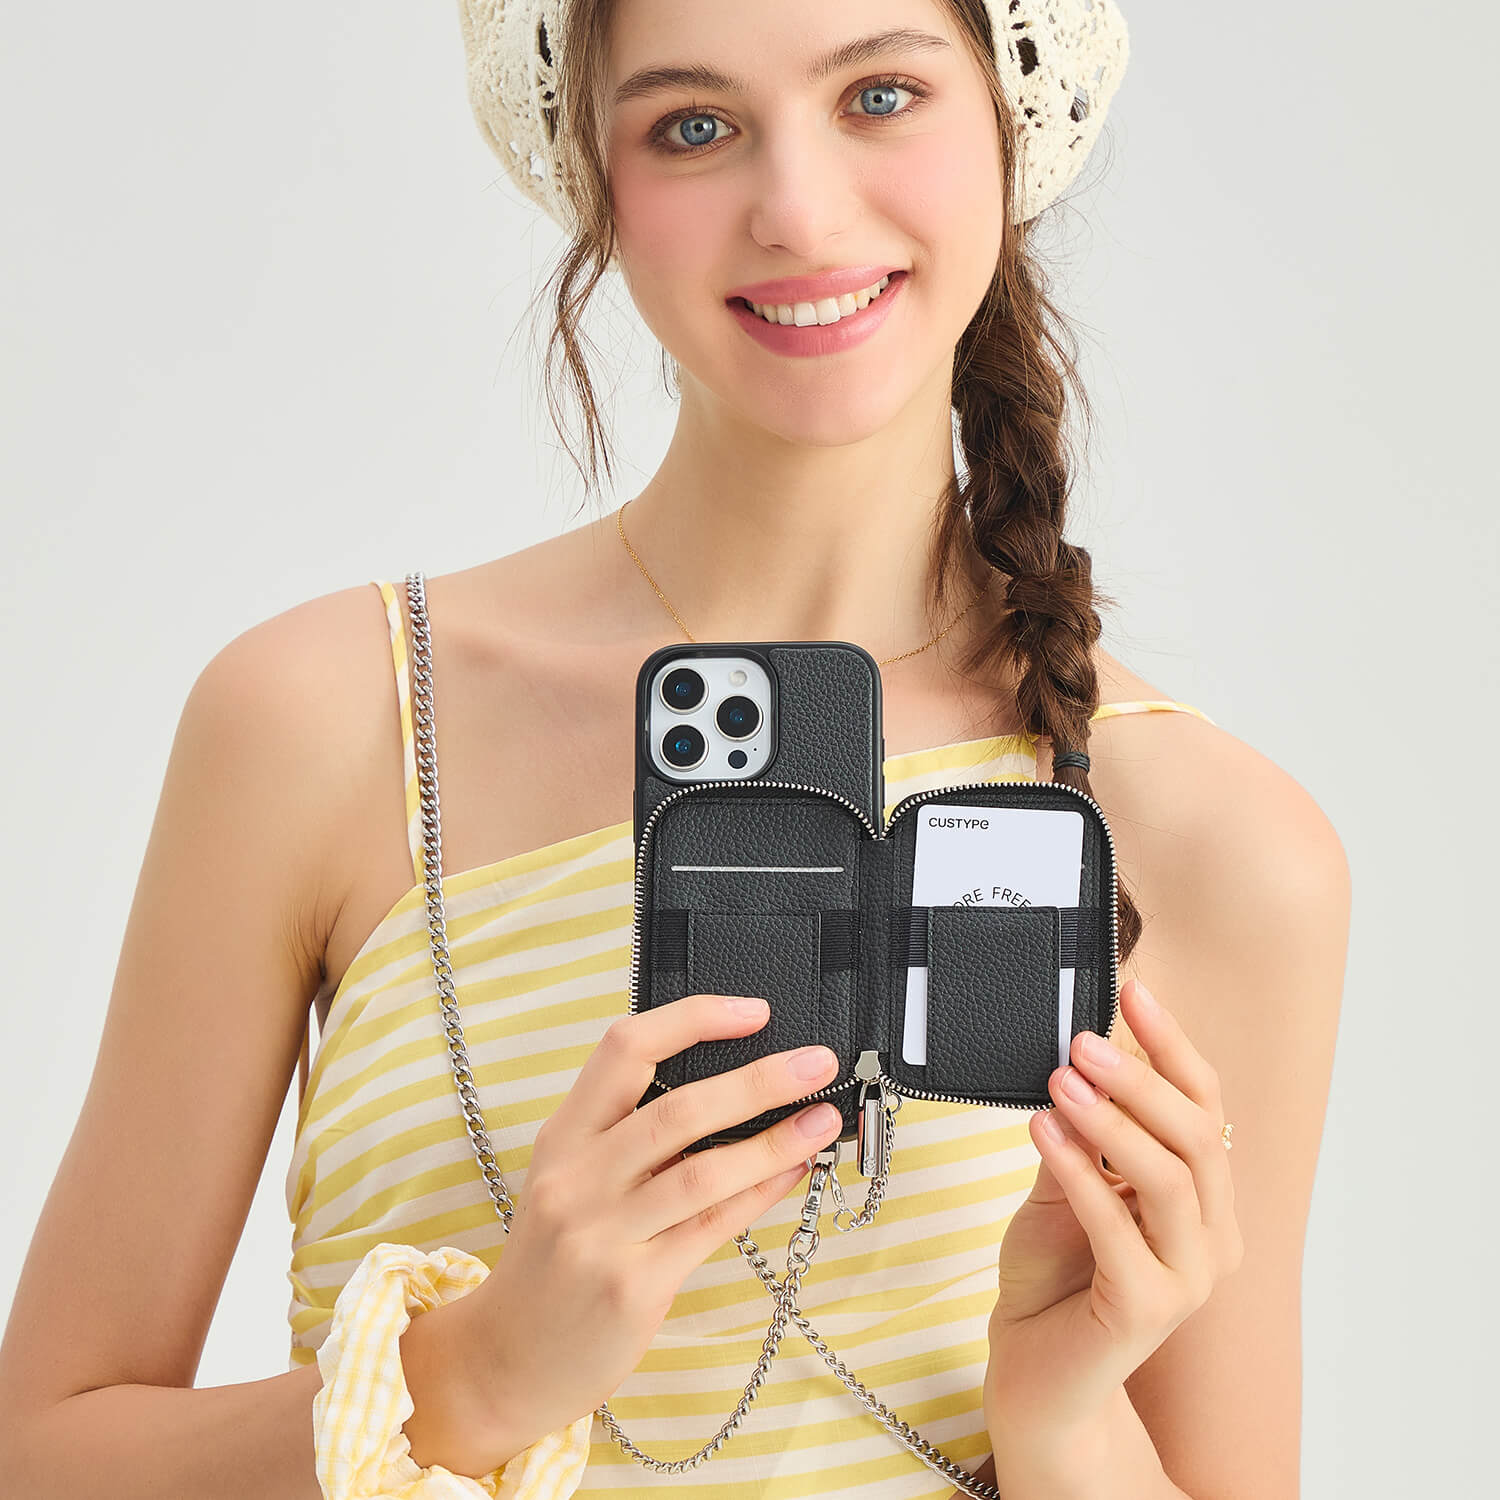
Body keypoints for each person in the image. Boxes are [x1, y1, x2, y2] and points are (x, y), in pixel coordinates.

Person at [0, 1, 1349, 1497]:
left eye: (880, 95)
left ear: (1011, 117)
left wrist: (1067, 1418)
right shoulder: (341, 721)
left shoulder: (1218, 846)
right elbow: (41, 1458)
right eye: (693, 127)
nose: (799, 210)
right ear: (595, 178)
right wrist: (476, 1376)